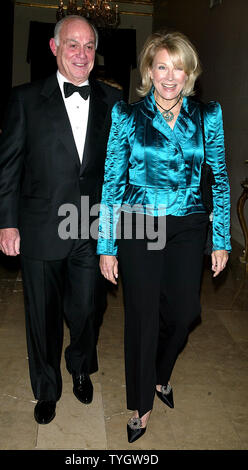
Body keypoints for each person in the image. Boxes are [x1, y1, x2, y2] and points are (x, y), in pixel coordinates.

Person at [97, 31, 231, 443]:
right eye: (161, 66)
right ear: (149, 71)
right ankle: (141, 403)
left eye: (178, 68)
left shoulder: (208, 115)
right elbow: (111, 183)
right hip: (139, 221)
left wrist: (222, 237)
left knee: (185, 312)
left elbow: (220, 179)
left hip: (189, 224)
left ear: (189, 73)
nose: (170, 77)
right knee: (141, 315)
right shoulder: (127, 115)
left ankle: (160, 373)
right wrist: (107, 244)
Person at [0, 15, 122, 425]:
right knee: (42, 316)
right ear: (54, 48)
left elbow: (122, 169)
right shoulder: (25, 98)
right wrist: (5, 221)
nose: (81, 54)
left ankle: (80, 364)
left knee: (87, 308)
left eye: (88, 46)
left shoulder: (114, 102)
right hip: (39, 225)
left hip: (93, 226)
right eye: (72, 44)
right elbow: (8, 167)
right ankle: (46, 389)